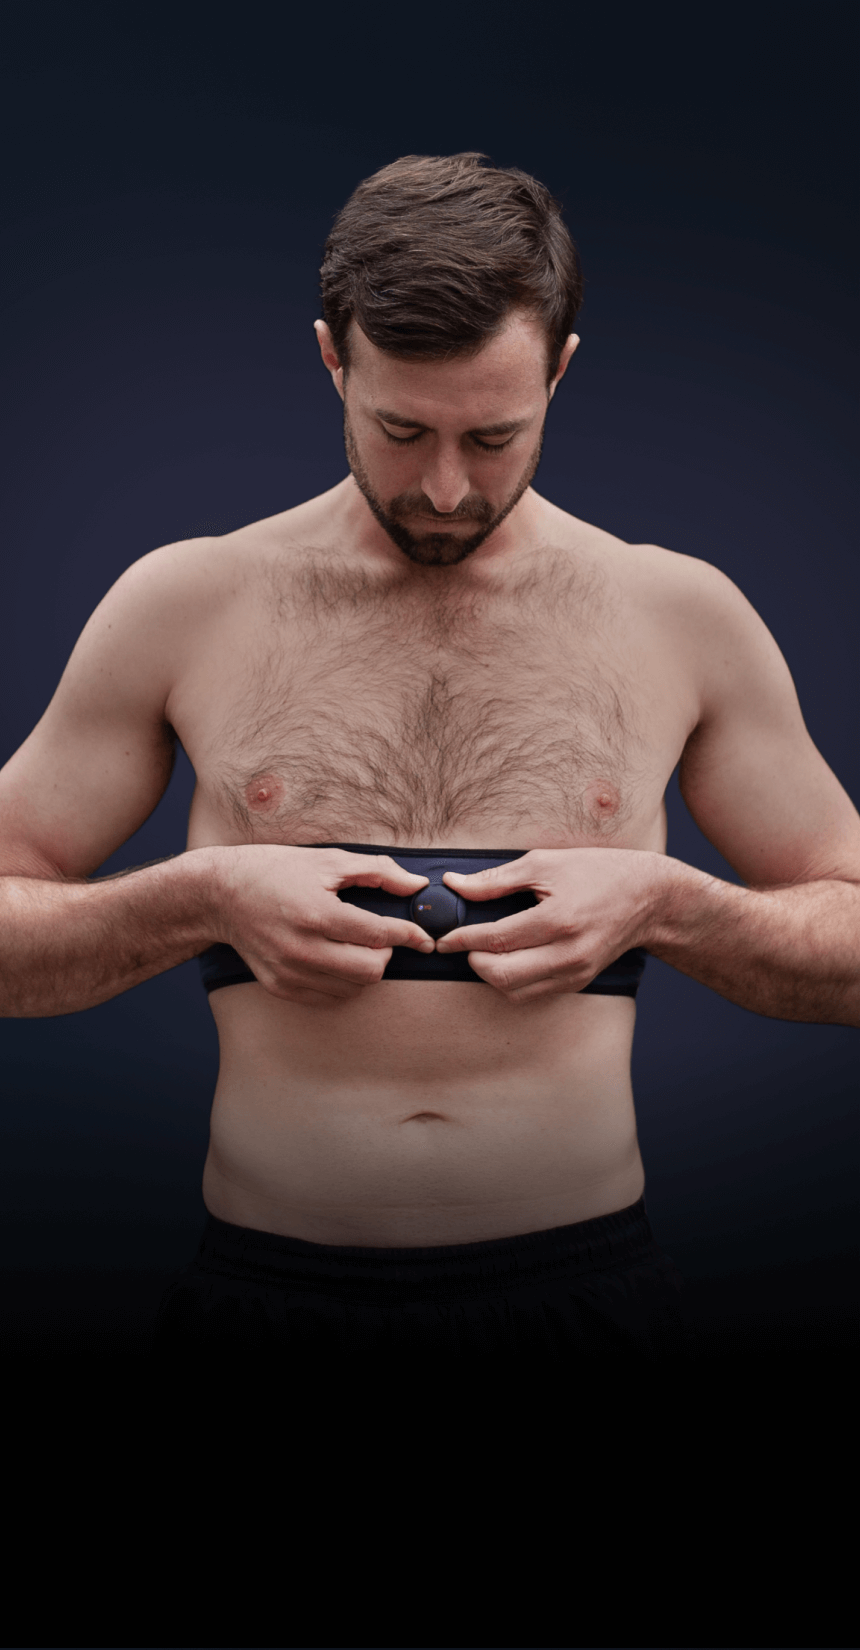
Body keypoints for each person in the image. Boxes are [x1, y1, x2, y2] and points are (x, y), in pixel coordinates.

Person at [0, 153, 857, 1367]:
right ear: (330, 362)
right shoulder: (184, 602)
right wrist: (199, 898)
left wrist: (669, 906)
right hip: (264, 1305)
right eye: (399, 430)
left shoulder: (678, 614)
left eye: (494, 437)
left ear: (559, 372)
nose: (445, 489)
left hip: (585, 1304)